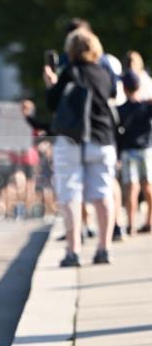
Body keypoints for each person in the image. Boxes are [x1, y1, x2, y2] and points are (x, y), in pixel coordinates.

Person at [44, 27, 117, 266]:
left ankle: (73, 250)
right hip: (102, 137)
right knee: (103, 194)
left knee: (70, 195)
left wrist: (51, 84)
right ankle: (103, 248)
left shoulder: (70, 72)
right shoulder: (104, 73)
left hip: (72, 139)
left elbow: (53, 103)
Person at [117, 70, 152, 235]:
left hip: (128, 150)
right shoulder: (146, 106)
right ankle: (149, 221)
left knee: (131, 188)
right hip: (146, 149)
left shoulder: (121, 109)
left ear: (124, 88)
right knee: (148, 187)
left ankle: (130, 224)